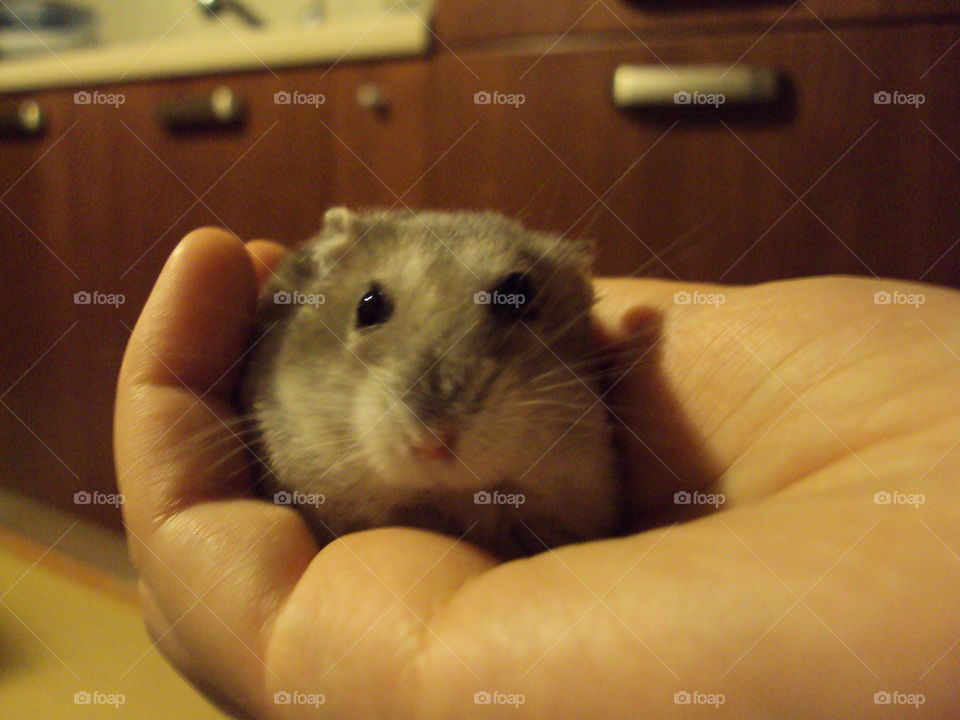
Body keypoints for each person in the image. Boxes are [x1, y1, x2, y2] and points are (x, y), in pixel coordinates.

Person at [115, 227, 960, 719]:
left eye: (509, 305)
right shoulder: (295, 344)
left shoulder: (595, 394)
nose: (434, 421)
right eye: (375, 310)